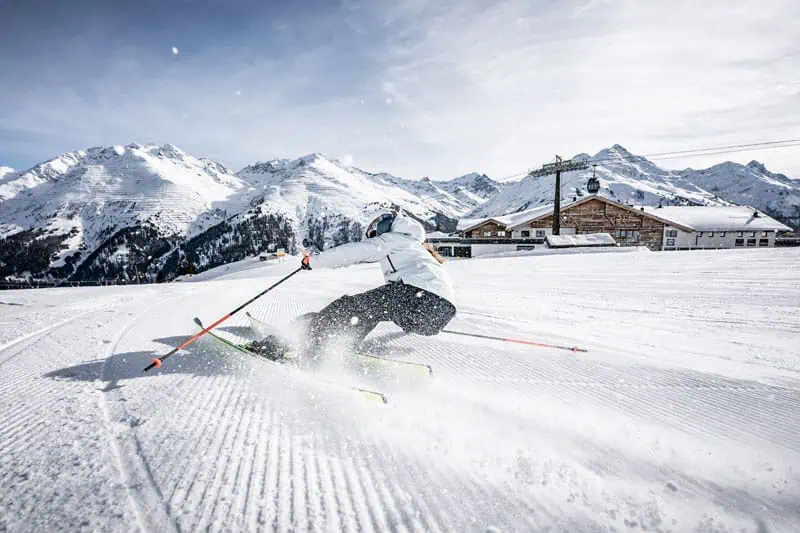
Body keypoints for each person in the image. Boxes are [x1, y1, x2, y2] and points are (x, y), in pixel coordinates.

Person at [247, 210, 456, 361]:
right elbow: (432, 293)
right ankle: (342, 343)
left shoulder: (395, 239)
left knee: (347, 307)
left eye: (376, 229)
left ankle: (291, 346)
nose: (375, 234)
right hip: (439, 315)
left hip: (416, 297)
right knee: (368, 311)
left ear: (388, 226)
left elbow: (357, 251)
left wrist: (315, 261)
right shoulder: (418, 250)